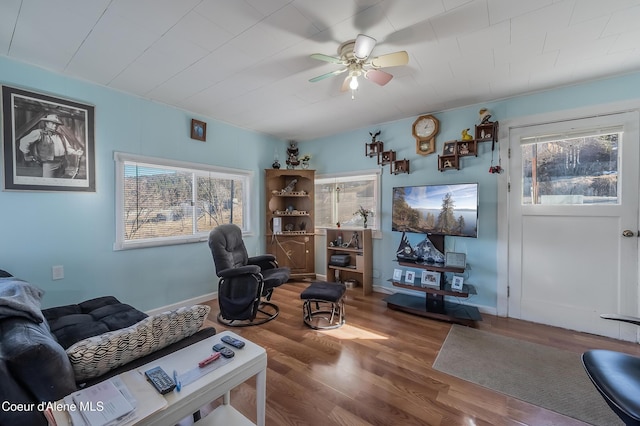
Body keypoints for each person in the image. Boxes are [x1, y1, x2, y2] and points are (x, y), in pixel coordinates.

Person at [19, 113, 84, 178]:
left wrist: (76, 152)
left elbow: (67, 148)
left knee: (59, 183)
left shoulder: (61, 136)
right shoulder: (38, 133)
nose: (55, 125)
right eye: (52, 123)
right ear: (47, 123)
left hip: (62, 163)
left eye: (56, 124)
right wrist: (26, 155)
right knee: (48, 183)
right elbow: (24, 141)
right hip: (48, 164)